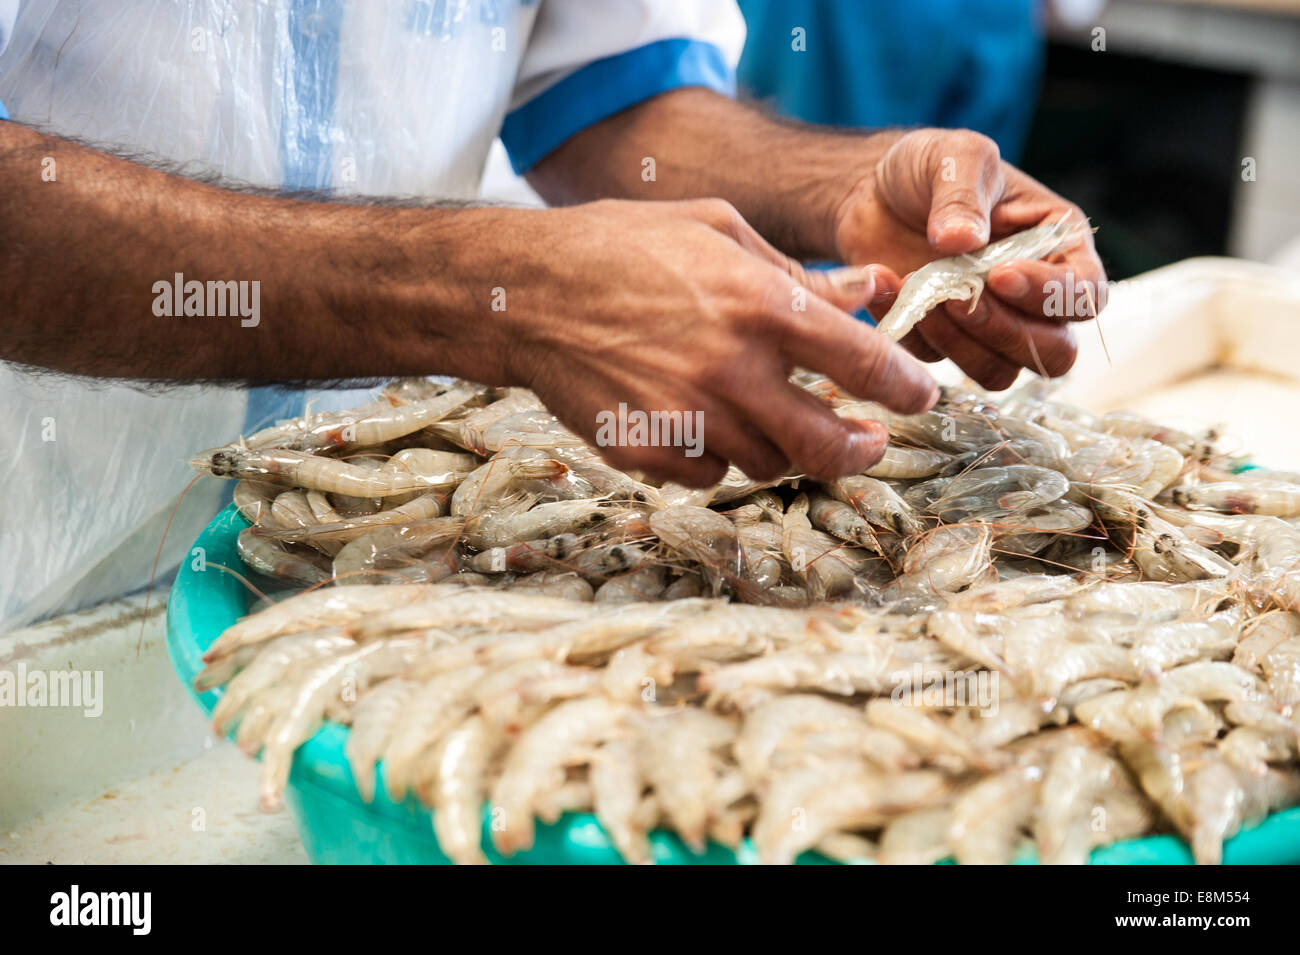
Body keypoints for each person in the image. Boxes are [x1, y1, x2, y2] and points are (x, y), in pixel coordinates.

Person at [0, 0, 1103, 626]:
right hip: (37, 605)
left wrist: (845, 191)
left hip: (401, 576)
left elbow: (602, 80)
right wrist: (497, 291)